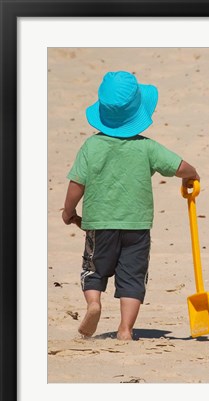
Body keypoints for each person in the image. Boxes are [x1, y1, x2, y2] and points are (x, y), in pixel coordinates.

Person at [62, 71, 200, 340]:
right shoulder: (148, 148)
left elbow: (76, 184)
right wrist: (193, 174)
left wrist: (69, 212)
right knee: (133, 277)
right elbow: (180, 167)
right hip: (137, 226)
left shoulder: (91, 146)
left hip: (100, 226)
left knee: (93, 269)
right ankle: (125, 329)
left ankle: (93, 303)